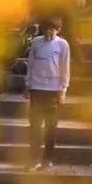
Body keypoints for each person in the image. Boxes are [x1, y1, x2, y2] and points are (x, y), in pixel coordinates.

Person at [25, 16, 71, 170]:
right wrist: (28, 85)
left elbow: (65, 68)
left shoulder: (62, 44)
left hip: (53, 90)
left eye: (53, 30)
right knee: (35, 126)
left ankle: (47, 159)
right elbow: (31, 64)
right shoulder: (36, 42)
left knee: (51, 126)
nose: (50, 33)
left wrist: (63, 90)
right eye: (47, 30)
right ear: (43, 29)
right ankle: (33, 159)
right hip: (37, 89)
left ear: (58, 31)